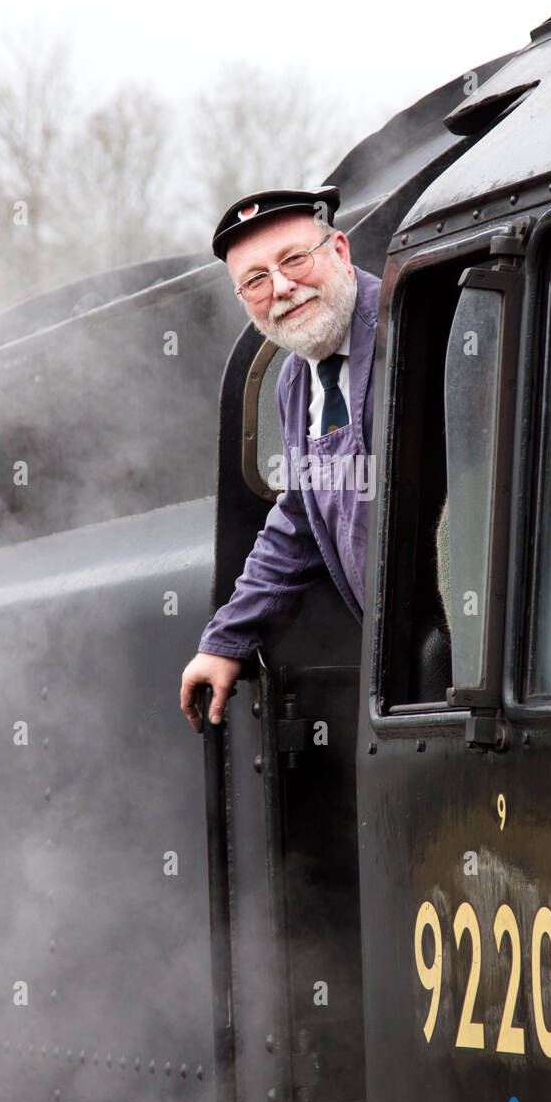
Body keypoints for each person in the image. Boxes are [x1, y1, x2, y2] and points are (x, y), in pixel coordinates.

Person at [180, 185, 381, 732]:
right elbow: (297, 520)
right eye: (256, 280)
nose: (283, 286)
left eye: (294, 259)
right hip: (396, 664)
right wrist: (228, 640)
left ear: (339, 251)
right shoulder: (294, 381)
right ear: (244, 302)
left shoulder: (410, 331)